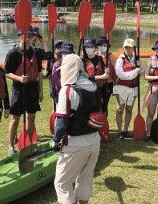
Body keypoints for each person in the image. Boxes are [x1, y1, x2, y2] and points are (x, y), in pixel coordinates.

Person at [53, 54, 102, 204]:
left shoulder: (67, 91)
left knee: (62, 184)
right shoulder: (94, 86)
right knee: (85, 179)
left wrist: (55, 141)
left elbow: (61, 124)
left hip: (75, 143)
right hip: (95, 141)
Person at [5, 29, 44, 156]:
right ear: (20, 37)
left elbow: (39, 72)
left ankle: (29, 143)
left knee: (31, 117)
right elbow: (7, 73)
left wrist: (41, 91)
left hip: (32, 88)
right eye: (25, 35)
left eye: (30, 36)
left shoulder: (35, 52)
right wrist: (19, 78)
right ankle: (11, 147)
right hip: (18, 88)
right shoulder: (12, 54)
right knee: (15, 119)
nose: (27, 38)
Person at [113, 39, 143, 139]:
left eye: (130, 47)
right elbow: (121, 75)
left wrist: (140, 66)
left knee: (129, 109)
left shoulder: (137, 58)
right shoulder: (120, 59)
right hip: (121, 87)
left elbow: (142, 73)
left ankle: (125, 131)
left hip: (133, 88)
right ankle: (119, 131)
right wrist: (136, 71)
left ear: (134, 48)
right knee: (120, 108)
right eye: (126, 47)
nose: (128, 49)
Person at [96, 36, 117, 114]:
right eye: (101, 45)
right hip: (97, 83)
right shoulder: (94, 55)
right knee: (96, 104)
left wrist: (115, 84)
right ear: (98, 46)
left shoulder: (111, 56)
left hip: (108, 84)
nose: (103, 47)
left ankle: (104, 121)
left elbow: (117, 70)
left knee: (104, 104)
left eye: (105, 45)